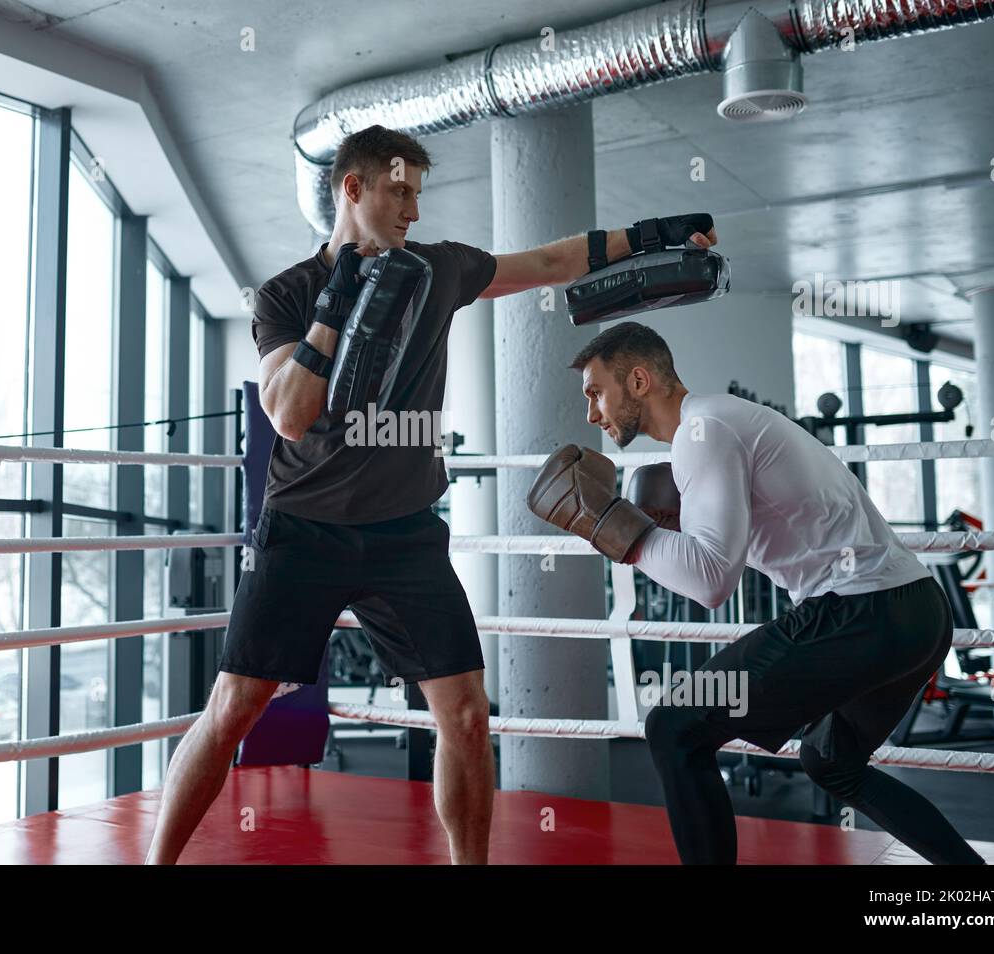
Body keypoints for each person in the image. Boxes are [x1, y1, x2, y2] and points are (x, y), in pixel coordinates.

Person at [145, 122, 717, 864]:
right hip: (304, 530)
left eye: (419, 193)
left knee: (466, 714)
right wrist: (337, 307)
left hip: (404, 534)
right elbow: (288, 414)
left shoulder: (438, 270)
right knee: (233, 710)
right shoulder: (289, 294)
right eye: (399, 191)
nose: (413, 209)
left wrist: (649, 236)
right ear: (353, 188)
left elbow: (548, 261)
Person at [530, 321, 985, 865]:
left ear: (638, 380)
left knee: (674, 727)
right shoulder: (716, 424)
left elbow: (710, 582)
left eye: (595, 392)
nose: (591, 414)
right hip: (917, 611)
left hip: (859, 610)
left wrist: (612, 528)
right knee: (830, 760)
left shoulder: (705, 432)